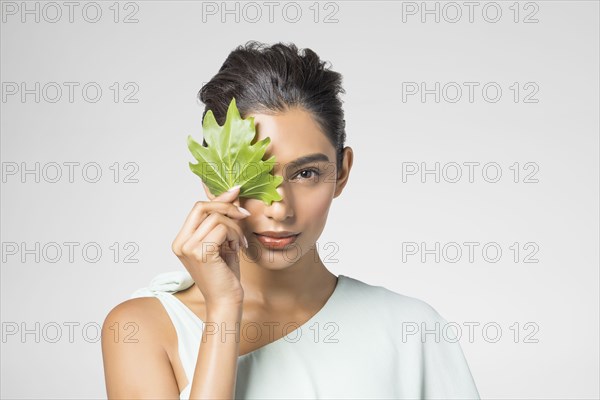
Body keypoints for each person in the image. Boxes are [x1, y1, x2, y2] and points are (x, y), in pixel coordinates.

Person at [101, 40, 480, 399]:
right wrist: (223, 311)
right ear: (210, 179)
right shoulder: (140, 330)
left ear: (342, 172)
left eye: (306, 174)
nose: (280, 209)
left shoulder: (412, 330)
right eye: (253, 177)